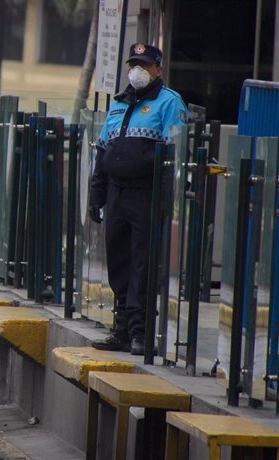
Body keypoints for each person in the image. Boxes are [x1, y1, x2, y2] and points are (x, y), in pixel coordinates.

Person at [89, 43, 188, 356]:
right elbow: (103, 149)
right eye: (134, 64)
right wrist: (97, 194)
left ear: (158, 70)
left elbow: (178, 153)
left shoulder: (169, 102)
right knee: (118, 262)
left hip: (147, 194)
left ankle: (140, 334)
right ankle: (120, 330)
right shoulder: (119, 103)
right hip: (117, 192)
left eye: (144, 66)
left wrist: (168, 200)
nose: (137, 71)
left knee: (142, 265)